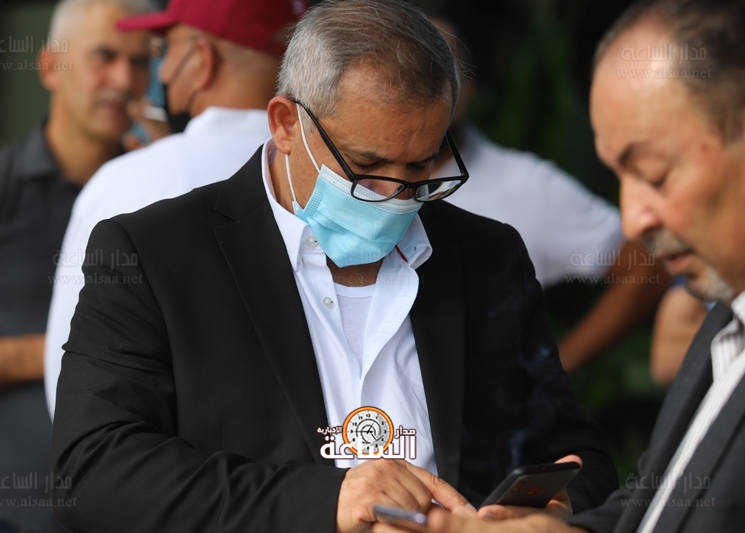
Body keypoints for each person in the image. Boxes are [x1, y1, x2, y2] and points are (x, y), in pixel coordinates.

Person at [49, 1, 618, 531]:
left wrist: (553, 510)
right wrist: (326, 501)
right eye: (366, 168)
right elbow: (91, 469)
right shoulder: (153, 254)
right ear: (284, 124)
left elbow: (576, 454)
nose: (395, 197)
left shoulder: (487, 257)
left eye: (420, 168)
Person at [373, 0, 745, 531]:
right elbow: (660, 503)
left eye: (655, 173)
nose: (634, 217)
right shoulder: (724, 320)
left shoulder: (519, 196)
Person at [43, 0, 307, 418]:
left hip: (162, 455)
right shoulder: (341, 175)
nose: (161, 73)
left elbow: (73, 388)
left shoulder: (125, 182)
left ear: (201, 60)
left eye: (164, 51)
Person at [0, 0, 152, 531]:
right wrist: (57, 350)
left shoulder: (157, 195)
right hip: (9, 517)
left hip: (135, 513)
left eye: (139, 61)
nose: (124, 80)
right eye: (104, 56)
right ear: (50, 66)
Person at [431, 17, 670, 373]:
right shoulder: (350, 182)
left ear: (467, 90)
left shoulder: (523, 186)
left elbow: (646, 263)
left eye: (433, 74)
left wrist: (555, 366)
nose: (412, 92)